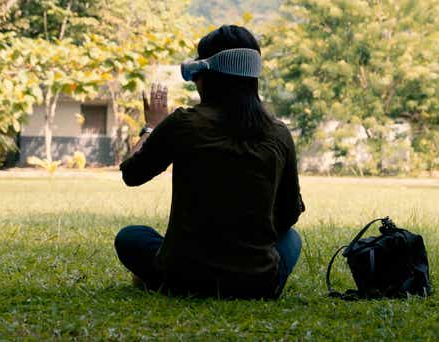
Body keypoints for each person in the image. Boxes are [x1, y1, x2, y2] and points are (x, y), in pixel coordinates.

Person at [114, 25, 305, 299]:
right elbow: (289, 215)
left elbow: (131, 174)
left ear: (204, 75)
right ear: (253, 80)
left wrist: (152, 127)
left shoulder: (184, 123)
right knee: (292, 239)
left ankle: (161, 278)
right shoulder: (279, 133)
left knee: (130, 237)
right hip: (257, 284)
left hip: (182, 275)